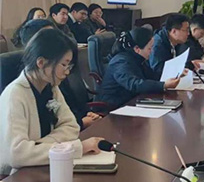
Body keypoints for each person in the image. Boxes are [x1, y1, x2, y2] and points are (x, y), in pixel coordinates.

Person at [0, 28, 103, 175]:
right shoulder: (14, 95)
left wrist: (37, 147)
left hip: (44, 164)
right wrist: (76, 148)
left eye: (69, 65)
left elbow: (72, 127)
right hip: (16, 174)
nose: (67, 71)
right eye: (64, 65)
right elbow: (16, 155)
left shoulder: (51, 87)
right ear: (41, 62)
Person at [20, 20, 103, 130]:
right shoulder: (21, 91)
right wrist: (80, 123)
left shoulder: (52, 81)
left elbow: (70, 116)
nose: (57, 42)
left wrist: (86, 114)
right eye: (49, 38)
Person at [98, 28, 182, 109]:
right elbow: (135, 84)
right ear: (137, 49)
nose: (152, 51)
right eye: (150, 48)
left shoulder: (138, 58)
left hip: (133, 101)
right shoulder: (121, 62)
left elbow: (151, 76)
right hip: (114, 107)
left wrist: (173, 74)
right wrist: (163, 85)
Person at [149, 13, 190, 79]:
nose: (188, 33)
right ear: (174, 31)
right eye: (186, 30)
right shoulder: (157, 44)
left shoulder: (176, 41)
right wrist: (177, 72)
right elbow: (157, 69)